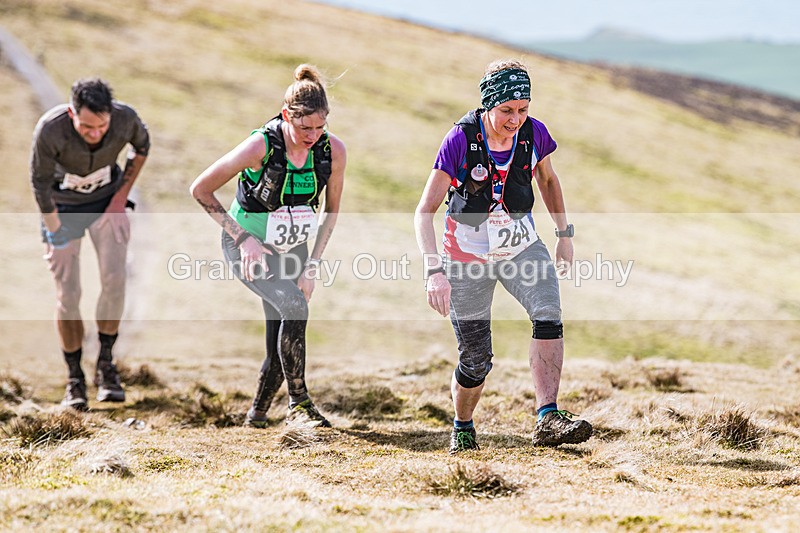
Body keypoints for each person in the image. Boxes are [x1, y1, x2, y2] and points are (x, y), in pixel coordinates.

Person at [414, 59, 592, 454]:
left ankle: (548, 416)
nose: (516, 119)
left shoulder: (534, 133)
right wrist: (434, 271)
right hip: (466, 258)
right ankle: (462, 424)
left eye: (523, 109)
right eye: (507, 111)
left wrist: (564, 235)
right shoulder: (459, 140)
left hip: (521, 247)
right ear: (488, 105)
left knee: (548, 313)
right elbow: (423, 211)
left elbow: (547, 179)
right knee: (476, 359)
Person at [190, 64, 346, 428]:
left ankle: (257, 414)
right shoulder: (261, 145)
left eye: (320, 127)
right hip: (247, 245)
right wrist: (244, 240)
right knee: (293, 306)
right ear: (285, 115)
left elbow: (332, 211)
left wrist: (312, 266)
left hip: (293, 250)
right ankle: (300, 404)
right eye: (304, 127)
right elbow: (200, 189)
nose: (312, 135)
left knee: (284, 329)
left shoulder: (332, 151)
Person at [30, 78, 150, 411]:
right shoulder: (50, 130)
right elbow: (39, 184)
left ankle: (106, 366)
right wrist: (56, 236)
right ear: (72, 113)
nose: (94, 132)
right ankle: (74, 379)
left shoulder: (125, 118)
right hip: (61, 209)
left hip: (105, 203)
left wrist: (120, 200)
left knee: (115, 280)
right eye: (86, 126)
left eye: (101, 126)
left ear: (110, 115)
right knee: (68, 293)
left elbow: (142, 147)